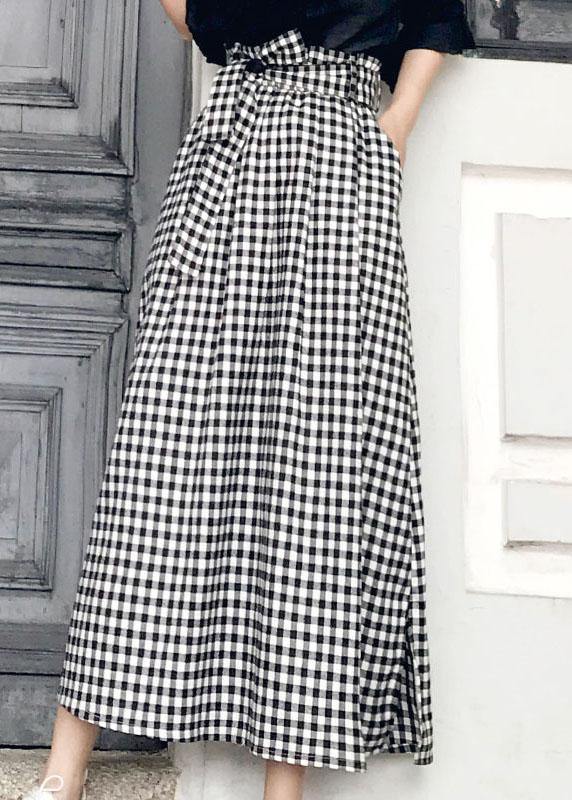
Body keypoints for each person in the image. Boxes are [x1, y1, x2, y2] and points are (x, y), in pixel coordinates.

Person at [22, 2, 475, 799]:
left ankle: (282, 787)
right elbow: (200, 18)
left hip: (341, 160)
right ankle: (64, 771)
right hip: (231, 152)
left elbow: (437, 15)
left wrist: (398, 119)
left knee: (317, 457)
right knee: (161, 454)